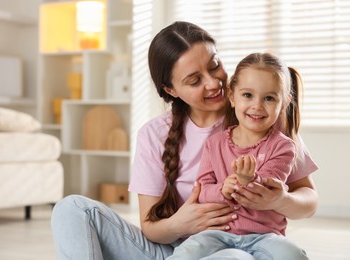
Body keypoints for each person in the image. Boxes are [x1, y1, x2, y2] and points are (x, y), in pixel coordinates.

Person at [51, 21, 318, 260]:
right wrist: (181, 223)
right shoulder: (155, 134)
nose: (213, 83)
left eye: (215, 66)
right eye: (194, 80)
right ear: (171, 90)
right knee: (71, 209)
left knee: (234, 257)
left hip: (238, 249)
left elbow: (308, 199)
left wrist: (278, 201)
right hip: (179, 249)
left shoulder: (259, 116)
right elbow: (150, 228)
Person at [167, 52, 309, 260]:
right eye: (247, 95)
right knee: (186, 252)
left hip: (265, 236)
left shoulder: (284, 146)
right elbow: (202, 191)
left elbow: (269, 187)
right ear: (232, 96)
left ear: (284, 103)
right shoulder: (215, 143)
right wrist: (223, 189)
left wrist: (248, 180)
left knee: (293, 255)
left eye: (269, 98)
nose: (257, 106)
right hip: (217, 233)